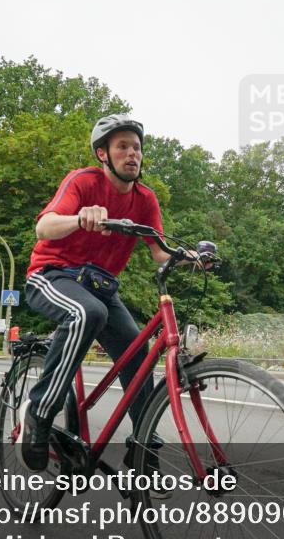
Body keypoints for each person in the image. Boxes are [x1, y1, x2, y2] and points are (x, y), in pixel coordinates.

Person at [16, 114, 205, 472]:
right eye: (122, 146)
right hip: (52, 274)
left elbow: (159, 252)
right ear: (103, 153)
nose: (133, 154)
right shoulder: (83, 181)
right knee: (87, 313)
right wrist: (79, 218)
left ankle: (144, 443)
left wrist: (193, 257)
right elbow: (44, 226)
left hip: (101, 286)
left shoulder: (145, 199)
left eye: (137, 147)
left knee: (137, 351)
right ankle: (39, 412)